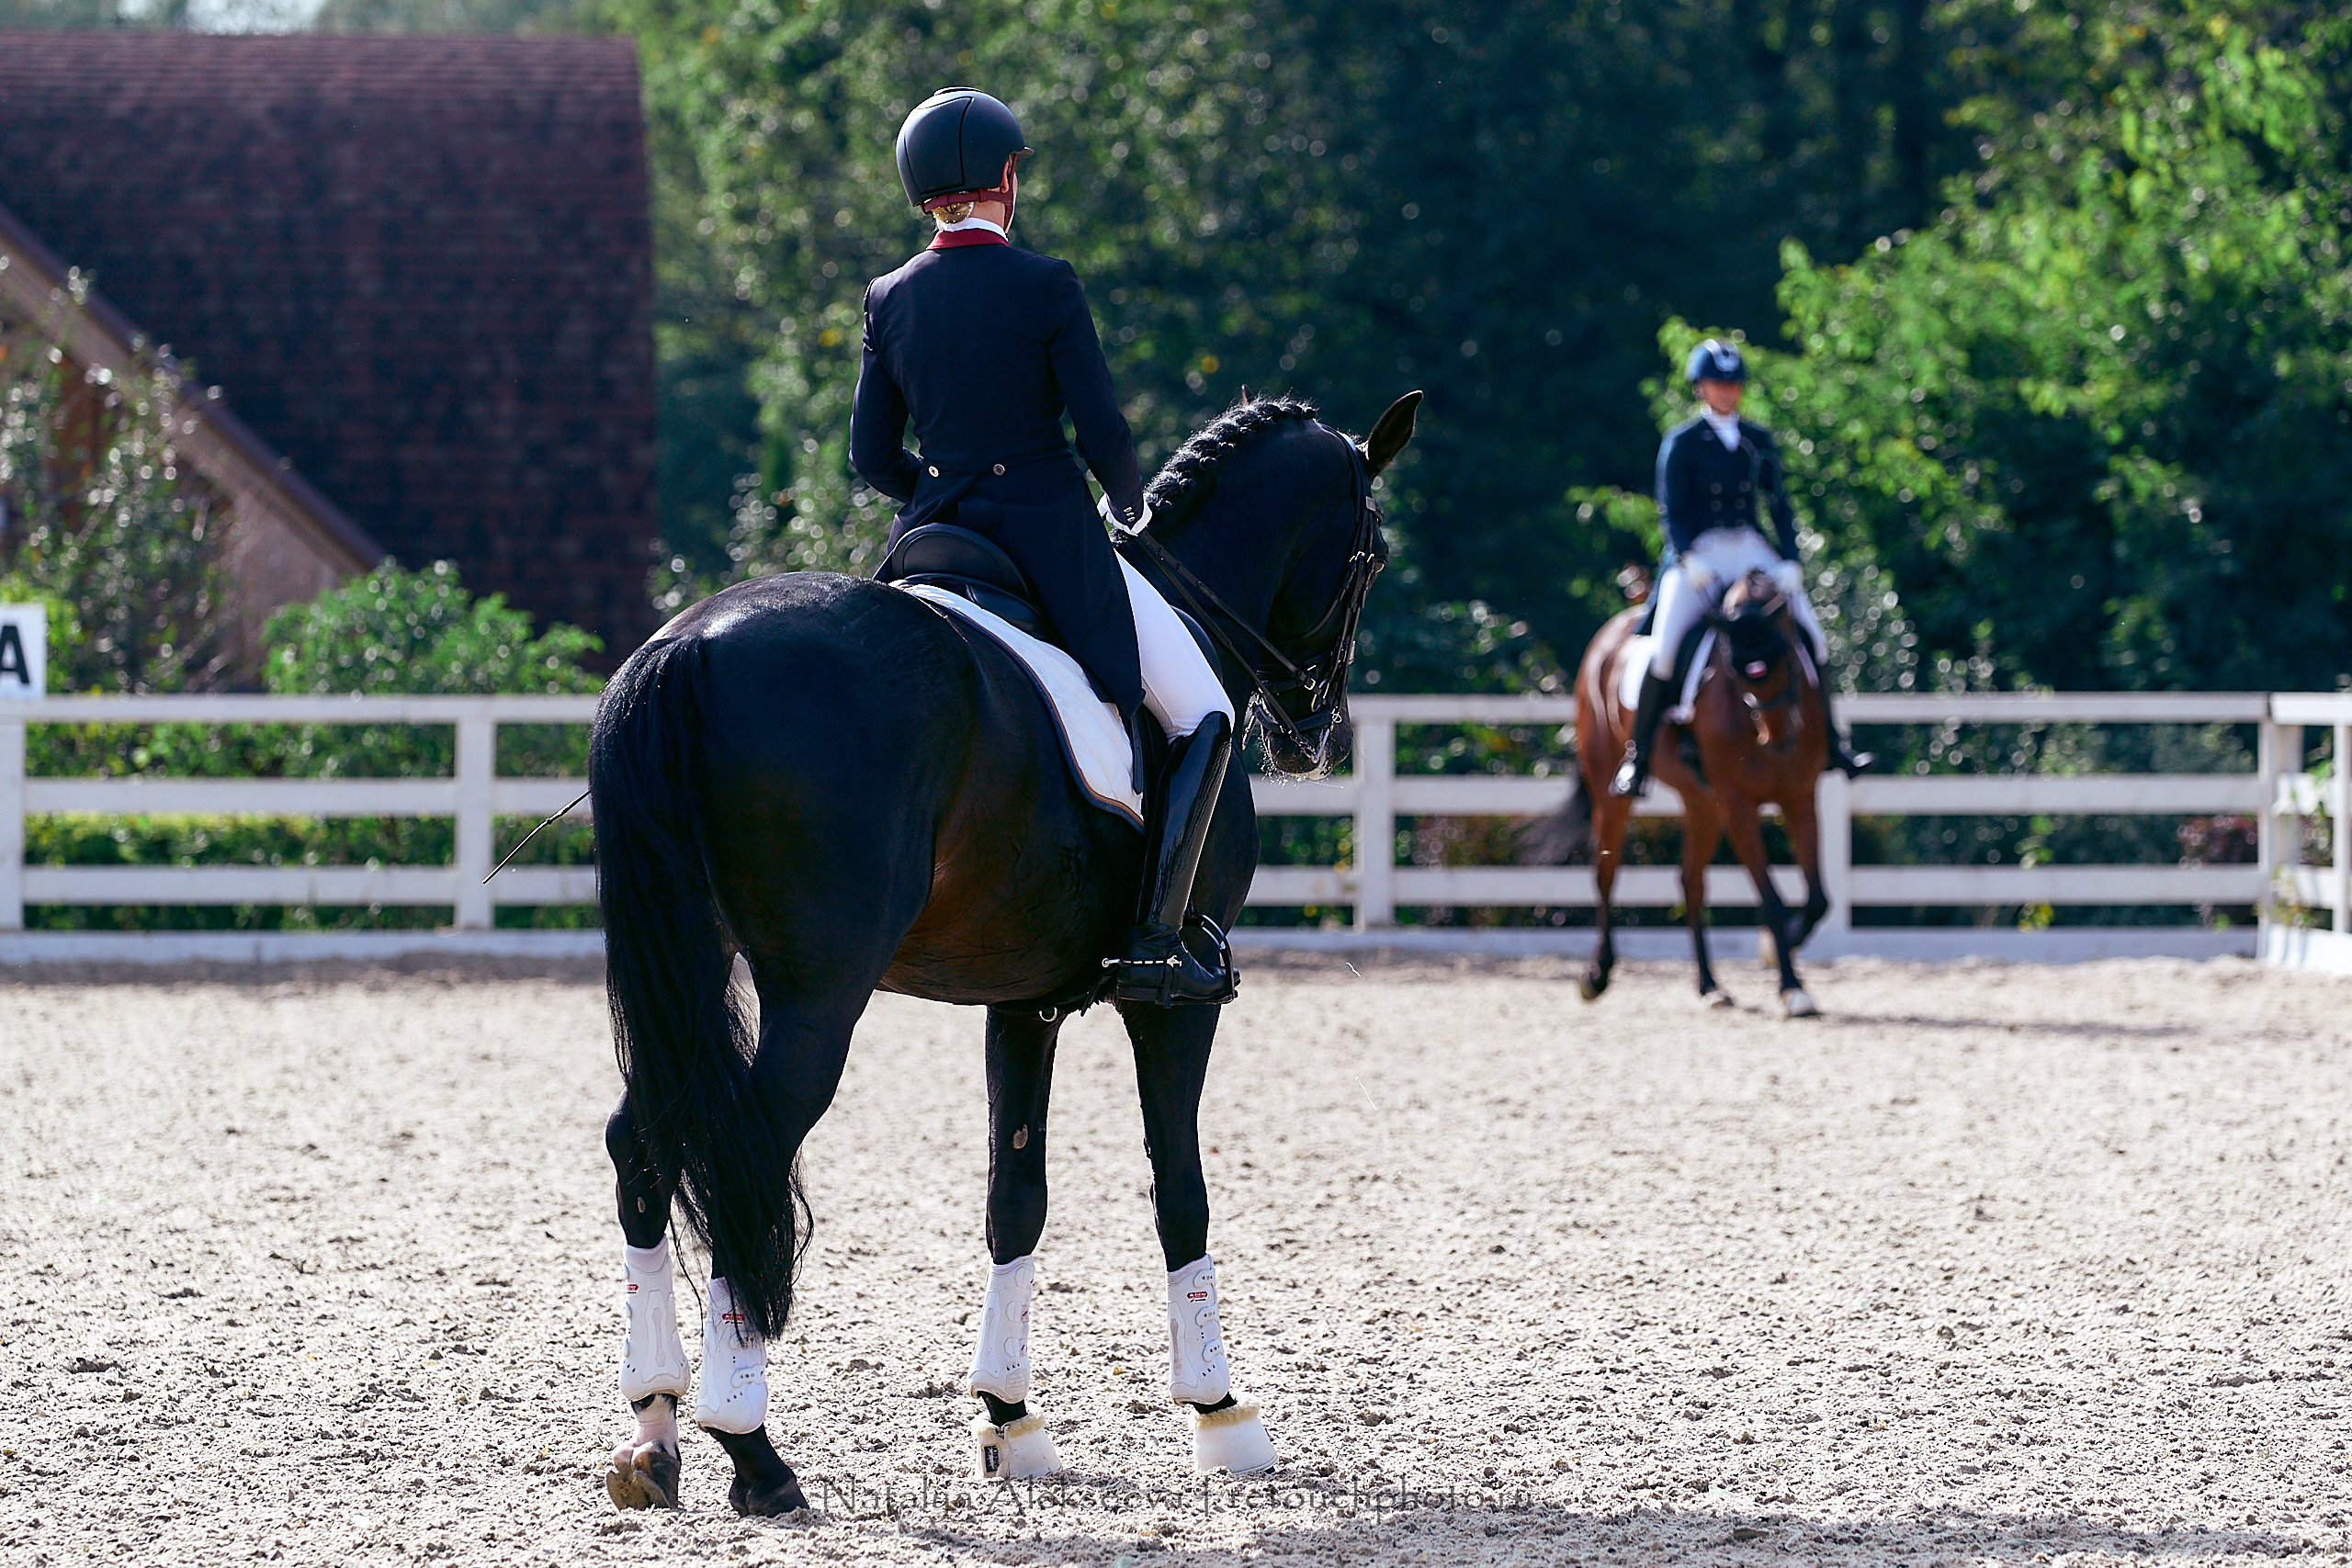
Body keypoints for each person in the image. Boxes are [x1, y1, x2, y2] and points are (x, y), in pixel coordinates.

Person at [850, 87, 1238, 1005]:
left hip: (933, 541)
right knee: (1204, 715)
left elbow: (871, 456)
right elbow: (1101, 431)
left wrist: (944, 493)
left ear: (920, 193)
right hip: (1053, 536)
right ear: (1008, 178)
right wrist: (1130, 505)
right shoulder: (1046, 284)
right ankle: (1151, 939)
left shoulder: (889, 297)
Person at [1610, 338, 1872, 796]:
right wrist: (1687, 557)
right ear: (1701, 388)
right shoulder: (1683, 442)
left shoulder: (1758, 439)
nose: (1727, 392)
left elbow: (1779, 504)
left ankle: (1834, 741)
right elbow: (1670, 511)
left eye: (1733, 384)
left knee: (1813, 633)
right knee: (1665, 646)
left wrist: (1790, 559)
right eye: (1718, 383)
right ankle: (1638, 757)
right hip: (1699, 553)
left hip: (1749, 548)